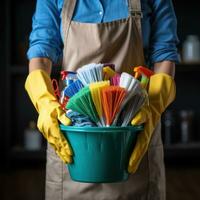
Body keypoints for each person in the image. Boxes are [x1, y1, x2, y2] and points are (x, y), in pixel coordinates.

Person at [25, 0, 179, 199]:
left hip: (134, 135)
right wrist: (44, 102)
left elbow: (164, 53)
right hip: (73, 142)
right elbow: (41, 53)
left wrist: (154, 107)